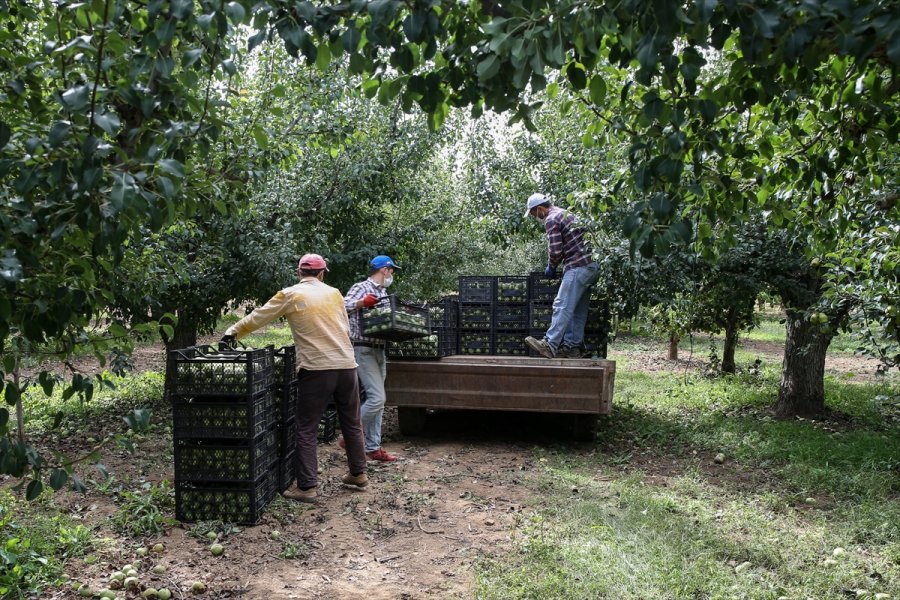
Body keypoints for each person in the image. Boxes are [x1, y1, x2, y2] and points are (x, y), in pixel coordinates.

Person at [221, 253, 368, 502]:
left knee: (306, 427)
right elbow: (344, 326)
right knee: (352, 422)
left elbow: (260, 315)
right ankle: (359, 473)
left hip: (317, 368)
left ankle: (307, 486)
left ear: (299, 272)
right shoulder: (334, 293)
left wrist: (232, 332)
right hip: (346, 365)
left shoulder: (291, 294)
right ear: (322, 273)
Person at [523, 193, 600, 359]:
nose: (535, 217)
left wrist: (551, 266)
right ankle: (572, 347)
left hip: (577, 265)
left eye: (534, 213)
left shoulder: (551, 219)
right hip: (592, 266)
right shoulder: (565, 213)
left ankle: (549, 344)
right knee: (578, 310)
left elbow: (556, 251)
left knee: (562, 305)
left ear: (540, 209)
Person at [340, 255, 401, 462]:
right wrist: (361, 302)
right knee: (377, 398)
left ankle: (373, 448)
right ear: (385, 270)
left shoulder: (383, 293)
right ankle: (349, 435)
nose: (392, 275)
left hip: (379, 349)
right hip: (363, 349)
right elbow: (342, 307)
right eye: (392, 271)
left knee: (378, 400)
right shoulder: (362, 287)